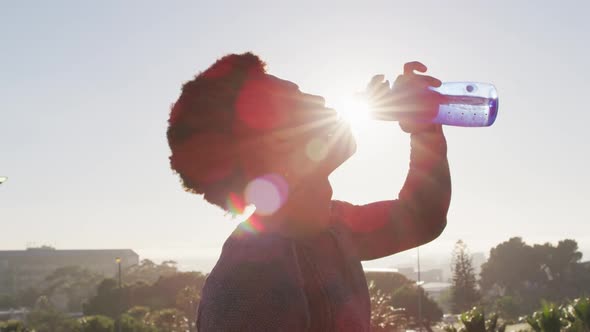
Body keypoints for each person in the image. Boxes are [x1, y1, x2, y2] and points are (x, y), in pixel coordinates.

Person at [166, 53, 451, 331]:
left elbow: (421, 218)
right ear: (272, 144)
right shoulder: (248, 286)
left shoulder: (330, 228)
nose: (320, 100)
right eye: (297, 98)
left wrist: (423, 128)